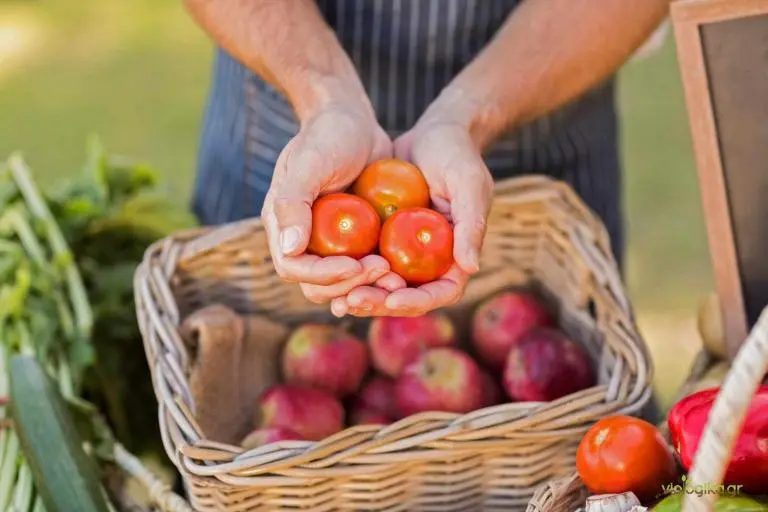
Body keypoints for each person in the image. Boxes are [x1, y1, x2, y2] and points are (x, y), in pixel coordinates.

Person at [184, 0, 666, 421]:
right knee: (229, 394)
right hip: (288, 137)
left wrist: (468, 116)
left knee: (584, 403)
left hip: (547, 122)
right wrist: (325, 98)